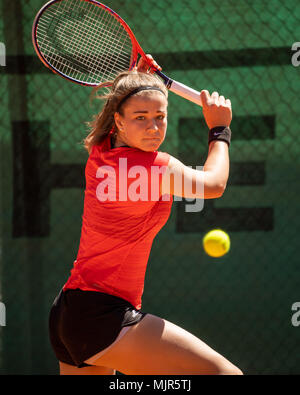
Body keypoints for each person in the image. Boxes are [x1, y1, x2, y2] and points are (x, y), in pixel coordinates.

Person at [49, 55, 243, 375]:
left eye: (160, 116)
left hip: (68, 316)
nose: (153, 126)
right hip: (102, 317)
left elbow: (122, 106)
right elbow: (215, 183)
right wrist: (220, 128)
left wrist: (137, 81)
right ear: (119, 122)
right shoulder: (154, 168)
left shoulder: (100, 152)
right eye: (141, 117)